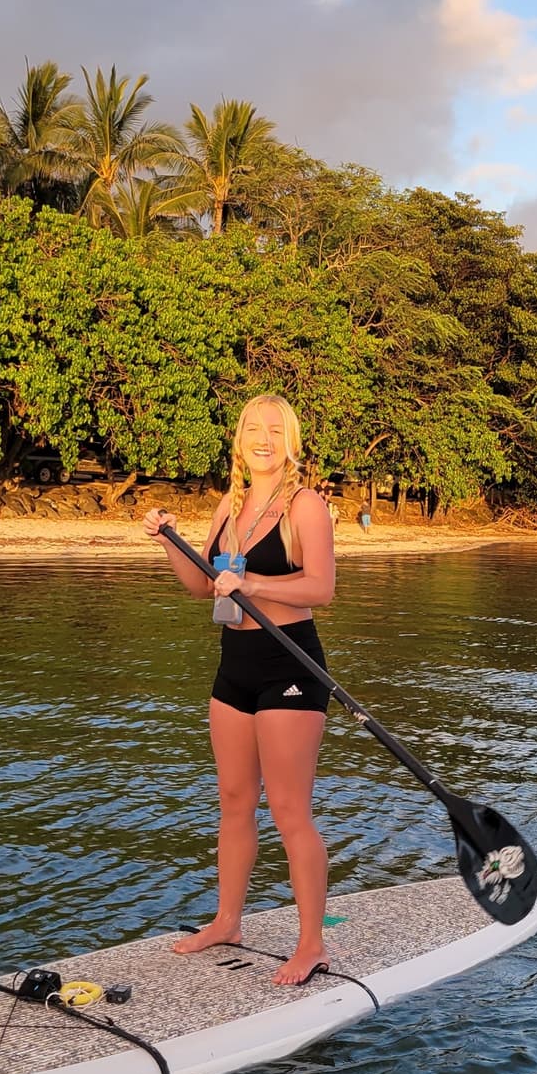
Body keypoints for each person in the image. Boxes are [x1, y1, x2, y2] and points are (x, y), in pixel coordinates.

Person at [142, 395, 336, 985]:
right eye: (254, 427)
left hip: (291, 665)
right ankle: (228, 919)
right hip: (235, 666)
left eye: (275, 430)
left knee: (288, 811)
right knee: (233, 800)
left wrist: (251, 580)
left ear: (291, 440)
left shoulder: (306, 505)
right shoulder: (230, 504)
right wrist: (169, 540)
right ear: (239, 435)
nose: (263, 438)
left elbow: (322, 588)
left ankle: (311, 944)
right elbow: (204, 588)